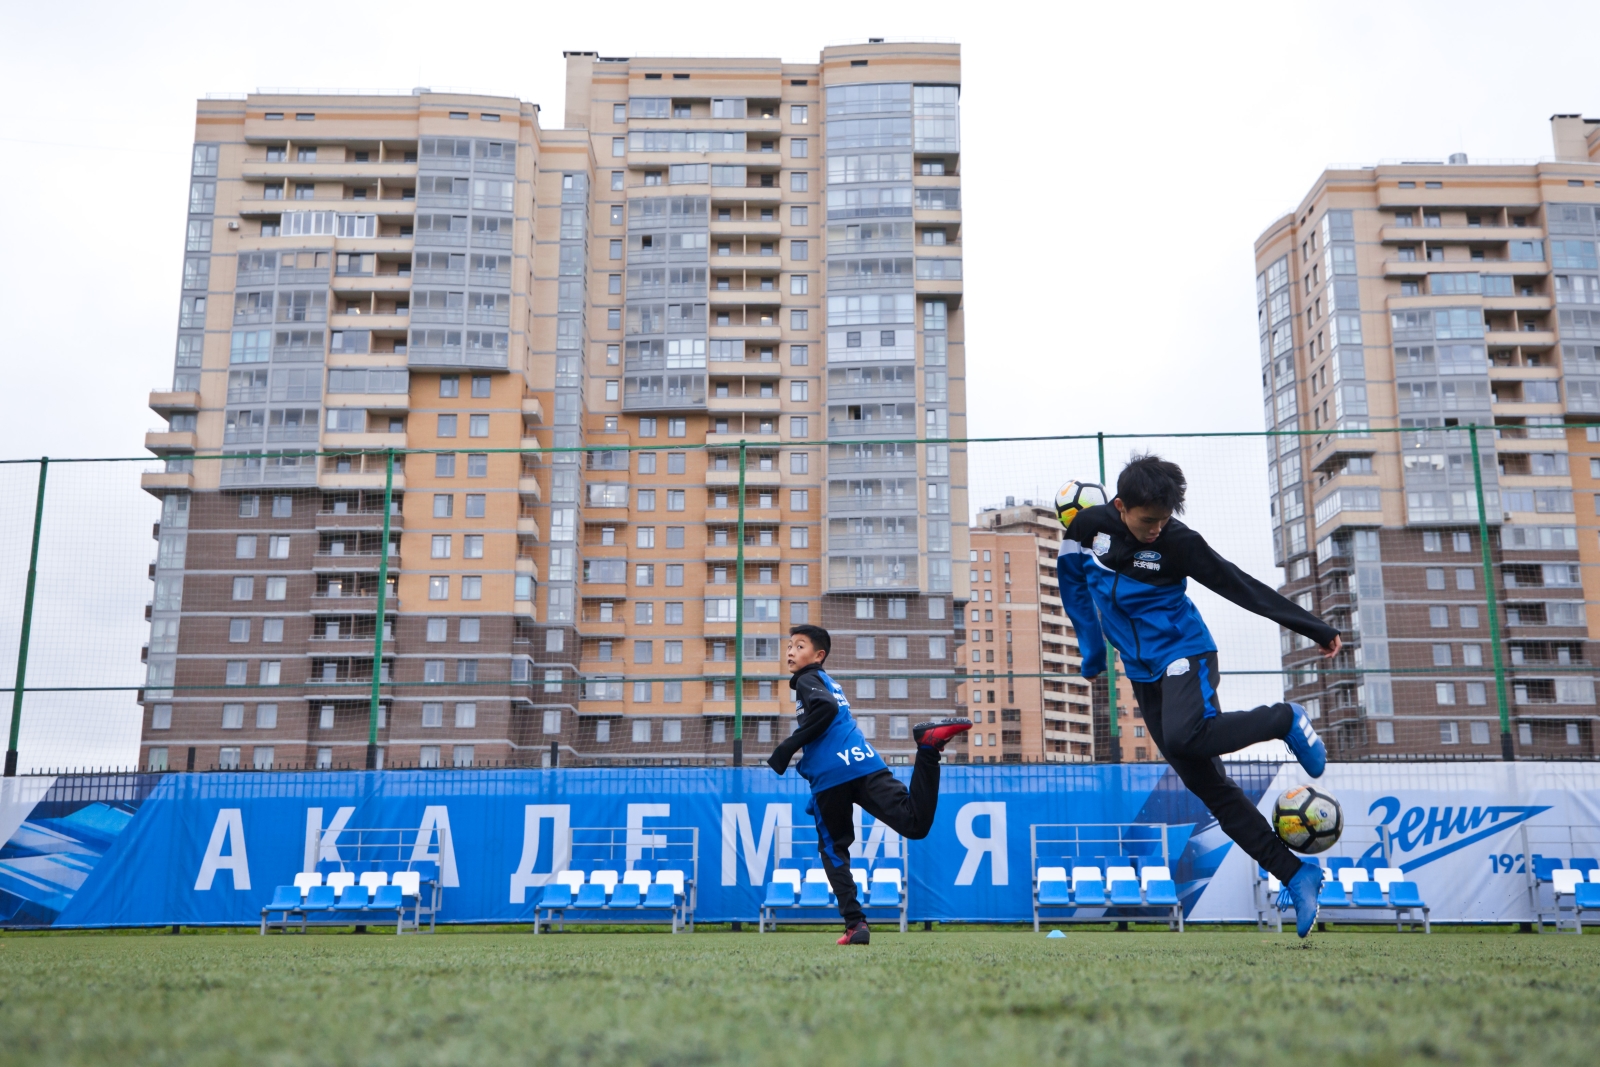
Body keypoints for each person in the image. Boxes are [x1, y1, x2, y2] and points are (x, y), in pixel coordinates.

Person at [1056, 453, 1341, 938]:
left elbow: (1239, 586)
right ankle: (1297, 874)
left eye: (1165, 520)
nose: (1156, 529)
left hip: (1186, 652)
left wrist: (1312, 627)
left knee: (1187, 736)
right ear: (1120, 506)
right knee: (1212, 790)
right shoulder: (1086, 528)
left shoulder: (1179, 543)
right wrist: (1090, 650)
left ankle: (1284, 719)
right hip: (1143, 672)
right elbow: (1073, 584)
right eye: (1148, 521)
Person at [767, 624, 972, 944]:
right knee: (914, 822)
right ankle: (929, 749)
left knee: (834, 850)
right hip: (863, 761)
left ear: (818, 655)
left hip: (831, 776)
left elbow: (826, 709)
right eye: (789, 646)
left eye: (800, 645)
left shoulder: (807, 679)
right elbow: (832, 717)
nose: (791, 651)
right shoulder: (828, 681)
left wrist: (786, 748)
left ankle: (855, 924)